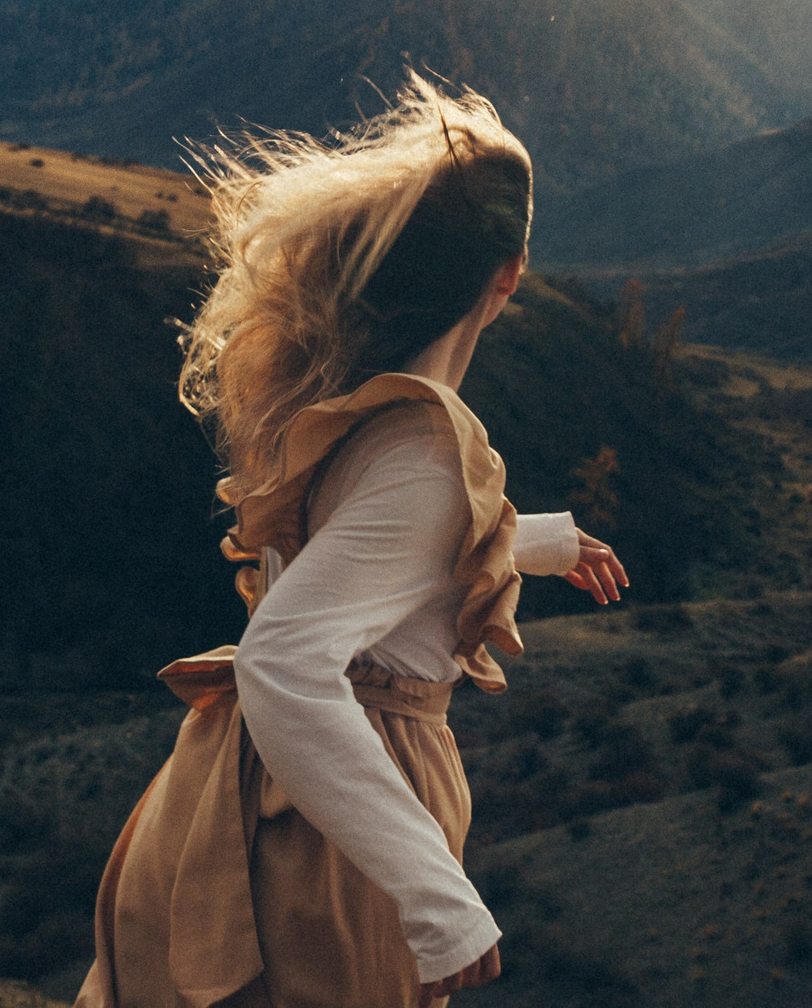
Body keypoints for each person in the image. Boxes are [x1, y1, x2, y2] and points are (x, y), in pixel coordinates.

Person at [77, 76, 630, 1008]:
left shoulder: (361, 411)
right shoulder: (423, 446)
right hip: (328, 844)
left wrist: (538, 541)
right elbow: (287, 662)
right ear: (510, 274)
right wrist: (435, 894)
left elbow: (370, 551)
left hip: (252, 796)